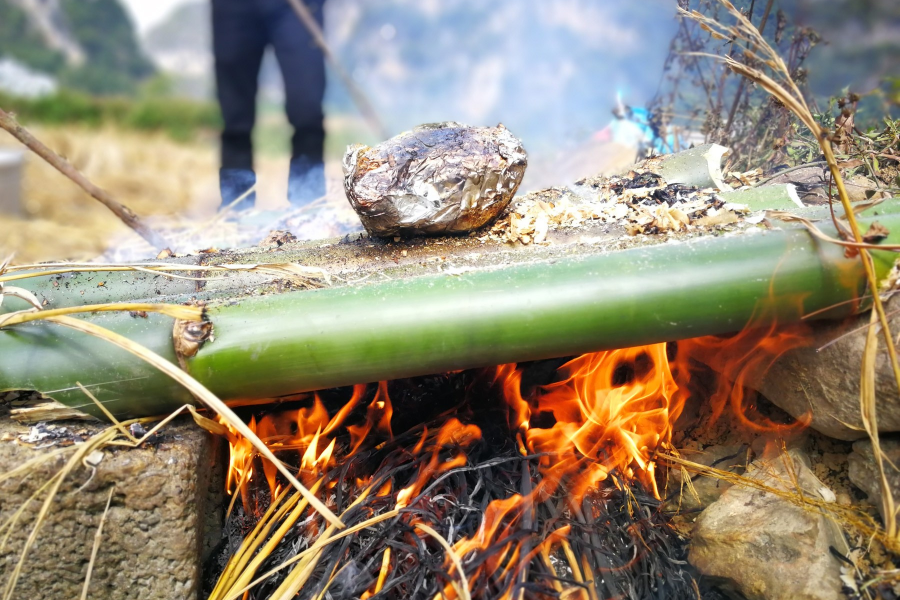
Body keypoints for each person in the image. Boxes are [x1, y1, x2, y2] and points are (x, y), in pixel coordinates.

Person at [212, 0, 327, 212]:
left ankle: (309, 205)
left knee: (307, 111)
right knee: (235, 119)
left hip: (297, 6)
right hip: (233, 7)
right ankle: (235, 208)